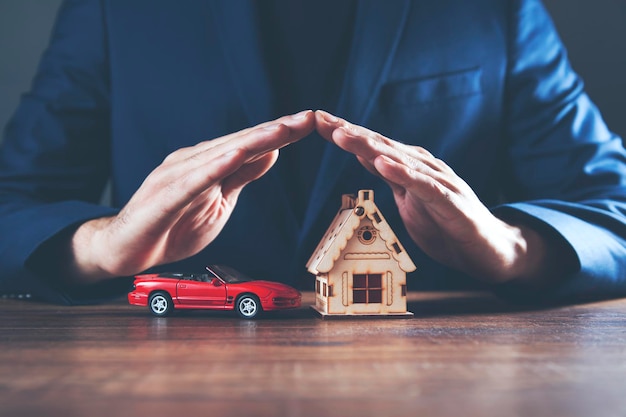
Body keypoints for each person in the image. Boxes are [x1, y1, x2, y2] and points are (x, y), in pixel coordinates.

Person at [1, 0, 625, 305]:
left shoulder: (495, 7)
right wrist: (101, 246)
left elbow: (614, 210)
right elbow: (12, 200)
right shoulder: (118, 8)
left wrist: (510, 249)